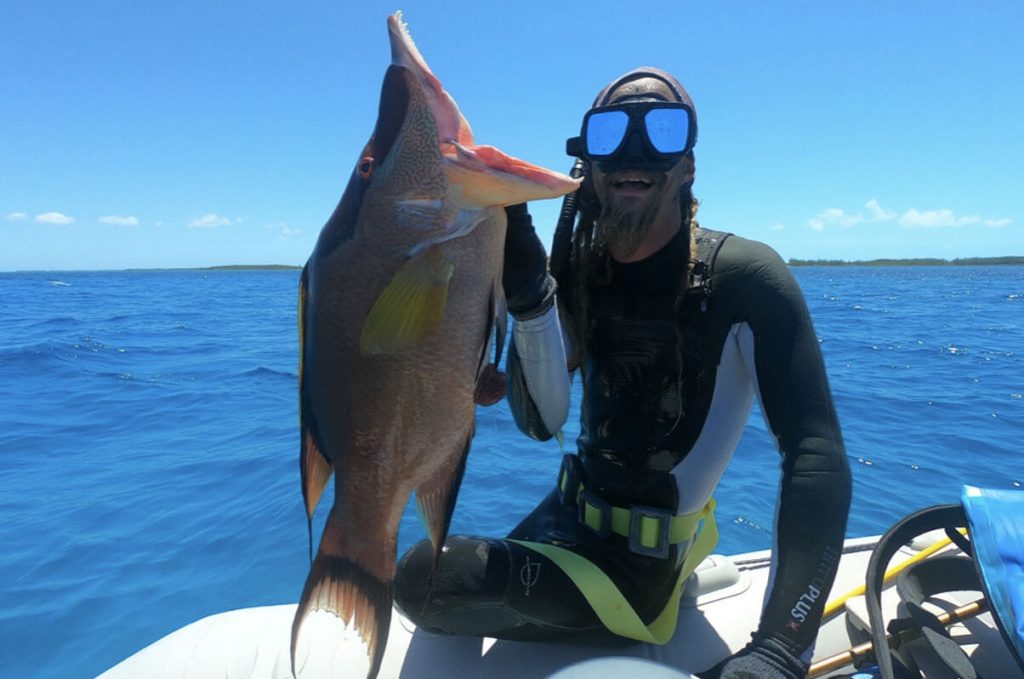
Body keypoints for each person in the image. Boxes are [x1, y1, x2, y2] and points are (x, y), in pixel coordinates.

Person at [394, 67, 852, 679]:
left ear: (688, 166)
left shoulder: (745, 278)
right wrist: (528, 301)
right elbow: (540, 422)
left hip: (639, 562)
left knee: (424, 580)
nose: (634, 151)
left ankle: (662, 589)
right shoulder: (579, 271)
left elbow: (815, 451)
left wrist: (778, 649)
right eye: (610, 134)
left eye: (663, 131)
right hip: (566, 512)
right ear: (587, 169)